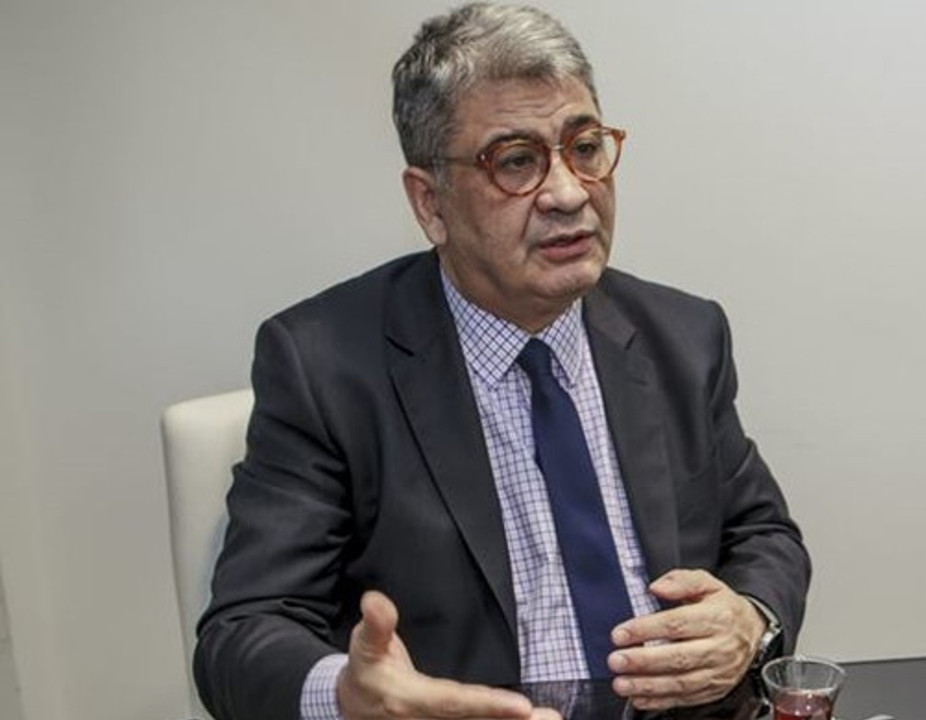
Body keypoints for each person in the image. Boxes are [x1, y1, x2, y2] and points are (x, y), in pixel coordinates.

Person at [193, 4, 810, 720]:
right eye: (516, 161)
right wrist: (348, 694)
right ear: (431, 203)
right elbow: (243, 632)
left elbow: (763, 534)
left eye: (585, 147)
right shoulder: (325, 367)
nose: (569, 194)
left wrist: (751, 620)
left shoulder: (683, 335)